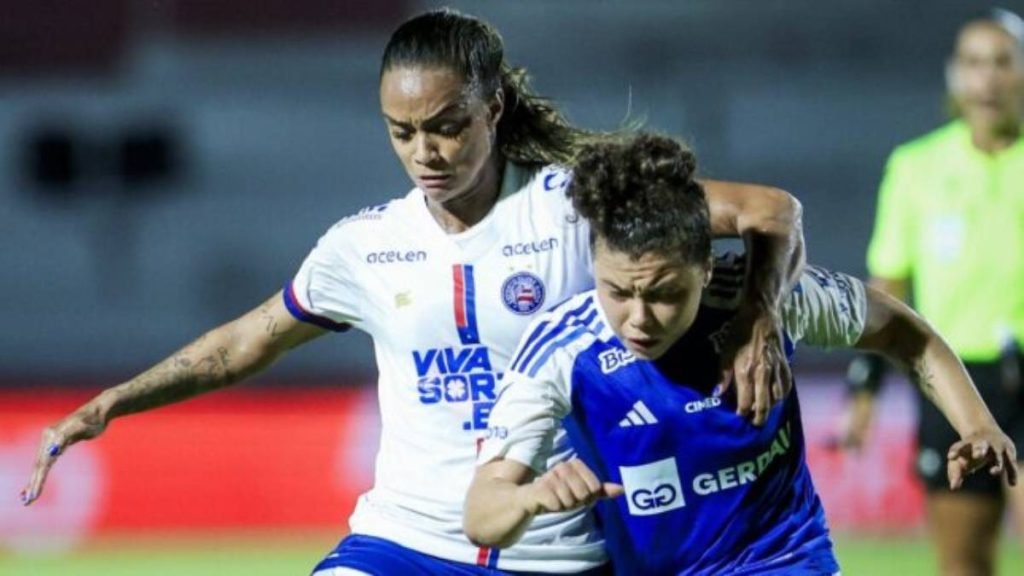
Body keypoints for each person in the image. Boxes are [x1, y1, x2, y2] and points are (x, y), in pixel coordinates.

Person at [22, 9, 804, 576]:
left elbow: (772, 211)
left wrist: (756, 318)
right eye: (401, 132)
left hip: (558, 548)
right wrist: (114, 401)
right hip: (402, 542)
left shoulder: (577, 205)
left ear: (492, 107)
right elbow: (242, 344)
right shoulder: (363, 245)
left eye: (446, 125)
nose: (424, 152)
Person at [463, 133, 1019, 575]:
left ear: (706, 268)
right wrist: (530, 497)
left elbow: (906, 333)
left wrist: (976, 424)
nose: (638, 316)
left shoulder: (771, 304)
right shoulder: (562, 349)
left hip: (783, 559)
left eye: (664, 293)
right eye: (618, 291)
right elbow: (481, 515)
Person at [839, 9, 1024, 575]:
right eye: (972, 63)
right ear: (954, 76)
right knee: (964, 565)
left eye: (1001, 61)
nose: (986, 78)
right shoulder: (916, 167)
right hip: (952, 382)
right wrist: (865, 389)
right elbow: (889, 284)